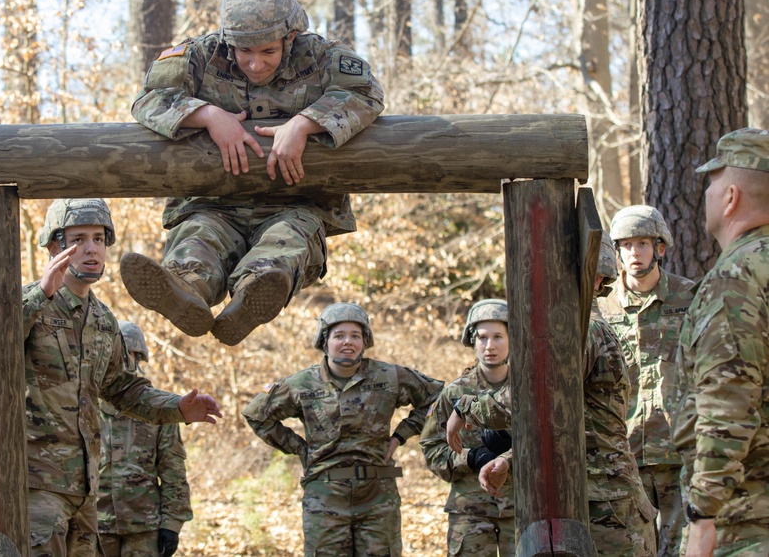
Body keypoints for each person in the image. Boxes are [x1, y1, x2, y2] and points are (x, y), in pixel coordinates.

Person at [121, 0, 385, 345]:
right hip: (212, 204)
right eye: (243, 51)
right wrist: (208, 115)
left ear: (290, 38)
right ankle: (186, 289)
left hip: (295, 205)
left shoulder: (322, 55)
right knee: (199, 238)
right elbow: (149, 98)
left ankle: (250, 299)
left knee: (283, 247)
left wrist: (304, 124)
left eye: (267, 52)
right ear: (228, 41)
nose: (255, 64)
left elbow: (366, 92)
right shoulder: (200, 54)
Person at [23, 198, 220, 557]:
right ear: (54, 245)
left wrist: (177, 408)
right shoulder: (26, 303)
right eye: (78, 239)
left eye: (98, 238)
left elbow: (123, 390)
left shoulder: (102, 320)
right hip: (35, 486)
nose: (91, 249)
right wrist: (42, 293)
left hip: (85, 491)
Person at [449, 234, 657, 557]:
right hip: (595, 502)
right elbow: (566, 424)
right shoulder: (580, 324)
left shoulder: (585, 329)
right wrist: (510, 459)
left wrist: (466, 409)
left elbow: (535, 396)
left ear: (596, 276)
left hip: (608, 511)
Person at [242, 302, 442, 557]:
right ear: (325, 342)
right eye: (339, 336)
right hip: (324, 497)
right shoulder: (302, 383)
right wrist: (301, 450)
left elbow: (439, 397)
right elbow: (256, 415)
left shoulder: (388, 376)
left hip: (378, 497)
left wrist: (402, 435)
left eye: (355, 336)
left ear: (364, 341)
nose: (348, 342)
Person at [670, 128, 769, 557]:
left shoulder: (736, 279)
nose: (705, 192)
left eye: (711, 181)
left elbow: (727, 402)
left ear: (730, 197)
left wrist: (703, 517)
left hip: (745, 522)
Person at [601, 205, 697, 557]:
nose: (634, 253)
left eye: (642, 243)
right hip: (624, 453)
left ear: (660, 247)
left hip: (679, 449)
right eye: (626, 245)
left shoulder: (690, 297)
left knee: (683, 548)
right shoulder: (602, 306)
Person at [420, 299, 515, 557]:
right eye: (482, 337)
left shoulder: (531, 386)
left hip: (522, 508)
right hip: (469, 511)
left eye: (498, 337)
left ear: (512, 339)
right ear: (472, 341)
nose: (490, 346)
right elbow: (431, 448)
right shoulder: (455, 392)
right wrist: (470, 457)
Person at [97, 320, 192, 557]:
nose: (126, 362)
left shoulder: (159, 408)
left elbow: (173, 470)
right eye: (120, 354)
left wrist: (171, 525)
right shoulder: (83, 403)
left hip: (145, 527)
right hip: (93, 527)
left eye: (132, 355)